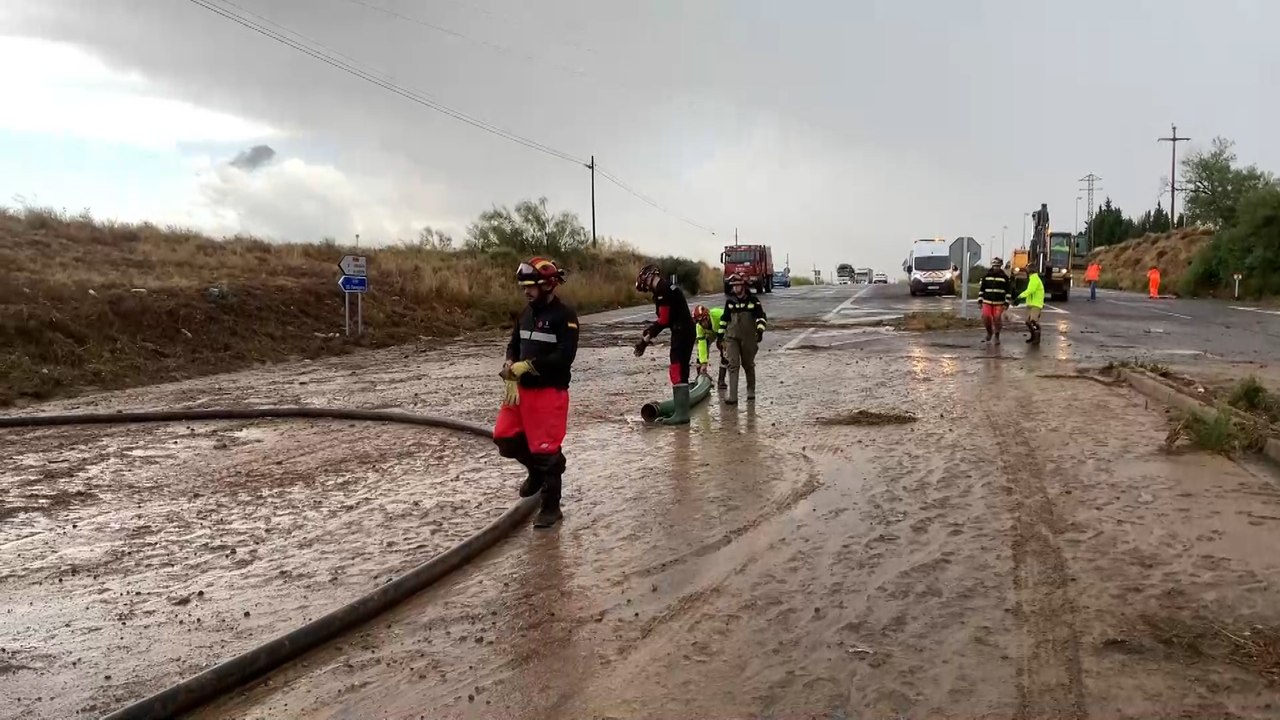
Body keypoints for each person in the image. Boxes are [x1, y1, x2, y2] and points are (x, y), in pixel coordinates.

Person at [493, 257, 578, 529]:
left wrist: (529, 366)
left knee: (547, 453)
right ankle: (536, 473)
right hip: (520, 392)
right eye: (524, 287)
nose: (526, 292)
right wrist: (510, 363)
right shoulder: (525, 314)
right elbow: (513, 344)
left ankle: (551, 508)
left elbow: (565, 356)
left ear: (548, 285)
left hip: (549, 393)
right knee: (505, 438)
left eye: (531, 286)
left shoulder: (565, 317)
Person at [634, 264, 696, 425]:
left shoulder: (662, 290)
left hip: (682, 331)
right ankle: (682, 411)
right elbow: (665, 319)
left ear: (649, 277)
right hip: (684, 330)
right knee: (681, 368)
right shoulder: (665, 287)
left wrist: (645, 340)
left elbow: (663, 320)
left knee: (677, 368)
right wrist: (650, 334)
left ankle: (681, 414)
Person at [720, 273, 767, 404]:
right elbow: (724, 319)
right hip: (732, 337)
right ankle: (733, 396)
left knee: (748, 364)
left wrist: (760, 331)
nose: (735, 288)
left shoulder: (753, 301)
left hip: (748, 337)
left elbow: (761, 317)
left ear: (743, 286)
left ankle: (751, 390)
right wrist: (720, 336)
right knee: (733, 365)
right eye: (733, 286)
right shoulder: (730, 302)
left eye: (738, 285)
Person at [976, 256, 1012, 343]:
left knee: (997, 318)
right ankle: (989, 332)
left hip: (999, 303)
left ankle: (997, 335)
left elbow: (1008, 291)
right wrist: (980, 301)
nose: (996, 268)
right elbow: (982, 289)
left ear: (1000, 266)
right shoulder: (986, 276)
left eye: (998, 266)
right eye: (995, 266)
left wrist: (1006, 303)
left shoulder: (1005, 278)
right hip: (987, 302)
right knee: (986, 317)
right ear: (992, 266)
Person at [692, 304, 728, 389]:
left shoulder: (719, 314)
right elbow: (702, 345)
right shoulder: (699, 327)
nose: (702, 324)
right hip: (710, 333)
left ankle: (721, 380)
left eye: (704, 320)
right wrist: (704, 363)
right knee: (700, 353)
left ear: (707, 316)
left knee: (725, 352)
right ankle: (701, 377)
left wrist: (722, 341)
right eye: (699, 322)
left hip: (723, 329)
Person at [1013, 263, 1045, 345]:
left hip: (1036, 304)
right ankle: (1033, 336)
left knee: (1033, 321)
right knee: (1028, 322)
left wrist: (1019, 298)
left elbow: (1030, 290)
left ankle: (1036, 338)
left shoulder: (1034, 279)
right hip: (1031, 304)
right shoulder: (1032, 278)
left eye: (1027, 269)